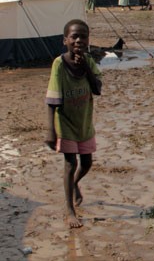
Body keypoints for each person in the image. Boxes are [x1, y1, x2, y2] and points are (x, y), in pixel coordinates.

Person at [45, 19, 102, 228]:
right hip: (65, 121)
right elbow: (51, 100)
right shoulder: (59, 64)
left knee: (87, 163)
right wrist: (50, 131)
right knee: (71, 163)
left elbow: (97, 88)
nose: (78, 40)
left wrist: (86, 66)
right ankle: (70, 210)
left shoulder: (90, 61)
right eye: (74, 36)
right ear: (65, 40)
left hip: (84, 121)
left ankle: (75, 184)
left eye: (83, 36)